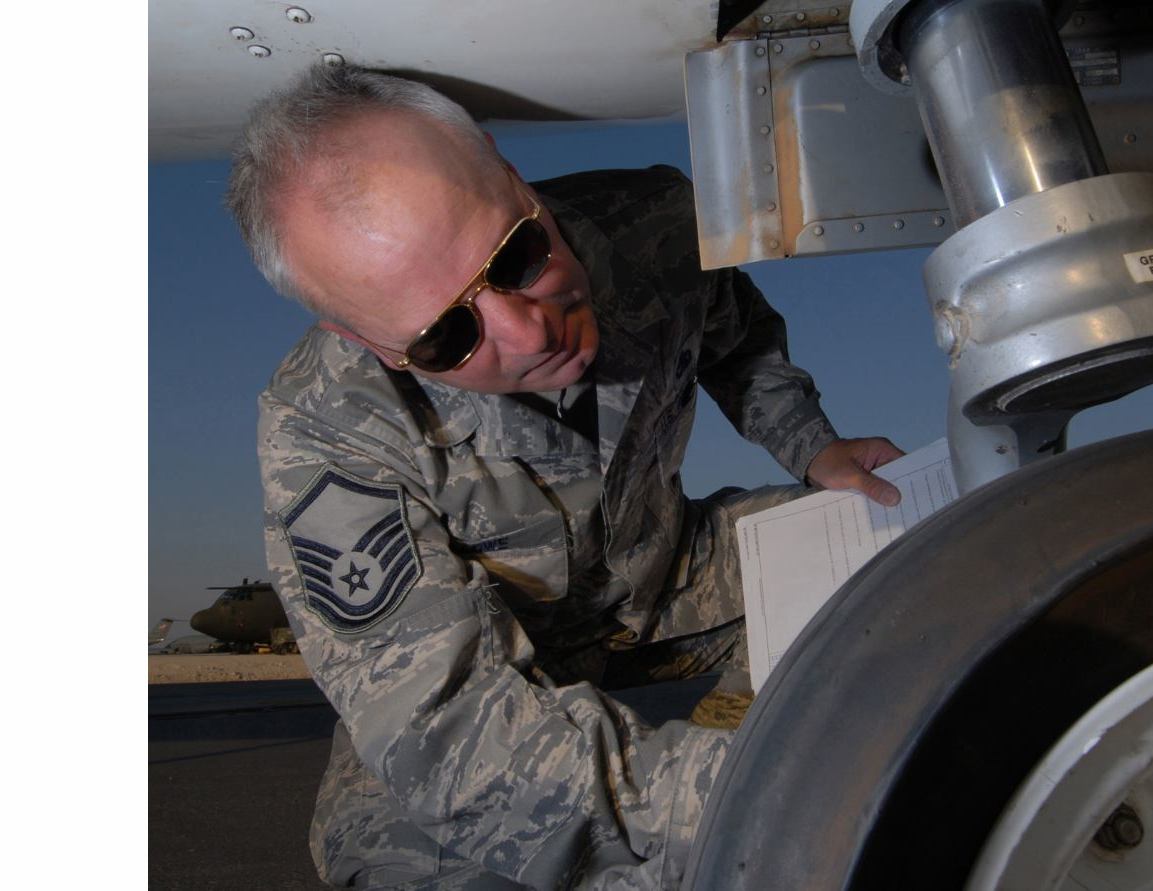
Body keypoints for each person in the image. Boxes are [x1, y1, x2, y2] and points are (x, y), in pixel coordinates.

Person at [226, 64, 905, 889]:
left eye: (515, 256)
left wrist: (811, 445)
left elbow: (736, 332)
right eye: (448, 339)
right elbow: (454, 734)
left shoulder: (652, 224)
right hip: (496, 674)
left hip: (672, 585)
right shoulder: (325, 425)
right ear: (373, 345)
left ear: (507, 173)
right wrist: (778, 798)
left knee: (890, 548)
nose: (527, 330)